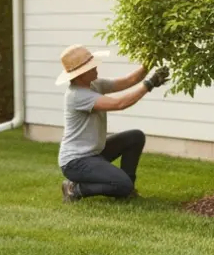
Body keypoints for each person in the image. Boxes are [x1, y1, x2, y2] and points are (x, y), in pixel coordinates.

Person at [55, 44, 169, 202]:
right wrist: (149, 85)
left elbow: (130, 80)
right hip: (76, 161)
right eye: (91, 66)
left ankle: (127, 191)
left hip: (94, 153)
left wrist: (151, 59)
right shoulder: (77, 95)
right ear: (80, 74)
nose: (96, 67)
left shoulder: (94, 84)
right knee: (122, 185)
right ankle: (74, 189)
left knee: (135, 137)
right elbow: (119, 104)